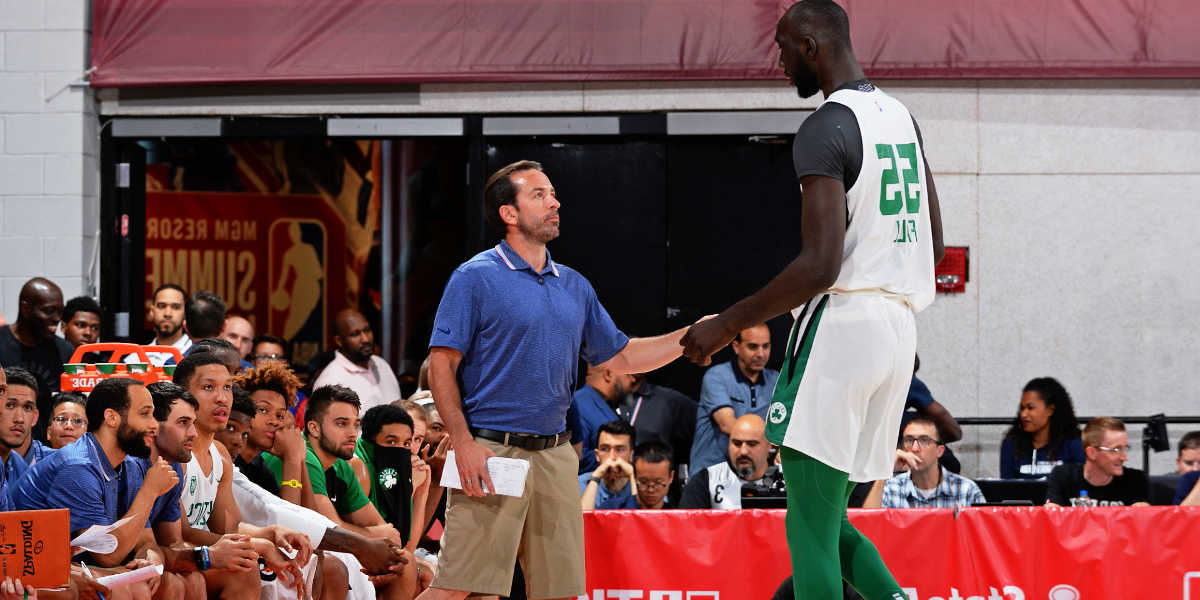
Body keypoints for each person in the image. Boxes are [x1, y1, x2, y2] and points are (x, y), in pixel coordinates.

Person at [680, 2, 945, 597]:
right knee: (827, 519)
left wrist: (727, 323)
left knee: (807, 529)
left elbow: (819, 266)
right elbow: (936, 244)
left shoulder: (825, 126)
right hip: (899, 329)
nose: (776, 61)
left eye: (780, 47)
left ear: (808, 45)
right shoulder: (902, 117)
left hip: (846, 327)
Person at [421, 160, 699, 600]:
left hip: (555, 454)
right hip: (491, 450)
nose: (555, 202)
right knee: (463, 591)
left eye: (552, 194)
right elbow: (441, 364)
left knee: (561, 592)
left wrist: (691, 337)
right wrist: (463, 441)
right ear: (508, 214)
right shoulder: (474, 277)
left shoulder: (573, 285)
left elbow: (623, 355)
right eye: (539, 195)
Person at [12, 378, 171, 596]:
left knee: (170, 583)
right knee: (126, 590)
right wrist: (150, 491)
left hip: (71, 564)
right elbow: (106, 554)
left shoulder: (129, 463)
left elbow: (145, 540)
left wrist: (149, 558)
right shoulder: (78, 466)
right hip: (21, 568)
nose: (154, 425)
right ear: (112, 418)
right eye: (144, 413)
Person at [140, 381, 262, 600]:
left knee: (239, 570)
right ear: (152, 426)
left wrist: (267, 537)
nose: (193, 433)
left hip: (151, 559)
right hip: (107, 565)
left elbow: (172, 542)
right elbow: (126, 553)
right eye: (183, 423)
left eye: (193, 423)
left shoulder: (172, 464)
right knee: (173, 584)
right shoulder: (132, 467)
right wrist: (208, 555)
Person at [689, 323, 779, 473]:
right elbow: (728, 425)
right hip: (711, 472)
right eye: (753, 347)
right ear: (736, 346)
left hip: (751, 474)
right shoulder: (716, 377)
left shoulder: (775, 380)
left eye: (766, 346)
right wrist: (777, 443)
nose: (761, 354)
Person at [0, 277, 74, 431]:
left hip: (48, 447)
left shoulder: (65, 351)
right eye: (49, 311)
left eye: (60, 312)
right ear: (26, 309)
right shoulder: (2, 342)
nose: (57, 318)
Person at [880, 418, 984, 508]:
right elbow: (868, 525)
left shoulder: (966, 490)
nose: (915, 448)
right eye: (909, 440)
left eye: (924, 440)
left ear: (939, 451)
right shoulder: (890, 488)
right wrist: (885, 469)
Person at [312, 310, 401, 415]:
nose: (365, 339)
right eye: (355, 334)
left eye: (367, 330)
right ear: (339, 341)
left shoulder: (381, 365)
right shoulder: (330, 381)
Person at [1045, 417, 1148, 507]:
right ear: (1092, 453)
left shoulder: (1135, 480)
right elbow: (1053, 517)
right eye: (1116, 449)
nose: (1124, 457)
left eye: (1125, 448)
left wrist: (1144, 512)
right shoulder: (1063, 476)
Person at [679, 415, 773, 510]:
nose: (743, 451)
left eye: (752, 444)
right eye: (737, 443)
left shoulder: (786, 480)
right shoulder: (707, 480)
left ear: (769, 446)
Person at [999, 377, 1085, 479]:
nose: (1023, 414)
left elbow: (1081, 485)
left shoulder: (1073, 444)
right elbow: (1006, 488)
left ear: (1050, 410)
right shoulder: (1011, 445)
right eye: (1022, 408)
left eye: (1030, 408)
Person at [614, 373, 695, 480]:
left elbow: (704, 432)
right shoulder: (602, 397)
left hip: (654, 486)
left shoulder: (668, 401)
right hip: (610, 482)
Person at [567, 365, 634, 474]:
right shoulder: (579, 405)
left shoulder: (605, 404)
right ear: (608, 374)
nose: (633, 379)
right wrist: (620, 457)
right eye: (628, 374)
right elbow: (577, 458)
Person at [579, 420, 638, 510]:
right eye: (605, 449)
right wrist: (595, 477)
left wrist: (633, 475)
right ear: (597, 455)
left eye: (620, 450)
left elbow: (642, 521)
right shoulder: (579, 484)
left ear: (631, 455)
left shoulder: (643, 484)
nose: (612, 457)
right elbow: (583, 522)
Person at [135, 283, 191, 365]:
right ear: (151, 311)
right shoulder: (133, 360)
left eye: (176, 307)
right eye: (161, 306)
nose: (167, 313)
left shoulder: (198, 355)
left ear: (185, 313)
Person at [2, 367, 47, 466]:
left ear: (35, 417)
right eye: (10, 405)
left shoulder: (56, 467)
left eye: (27, 407)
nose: (19, 419)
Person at [632, 442, 675, 509]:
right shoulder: (619, 513)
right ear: (634, 477)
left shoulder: (678, 517)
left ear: (671, 477)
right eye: (643, 482)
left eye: (658, 483)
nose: (650, 490)